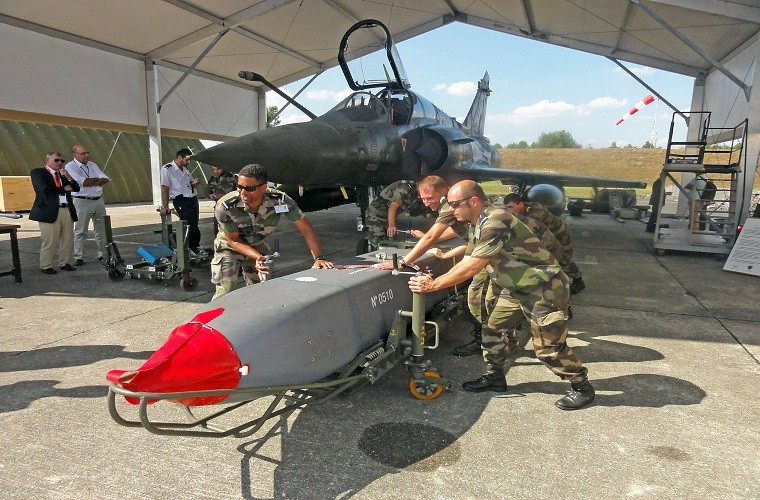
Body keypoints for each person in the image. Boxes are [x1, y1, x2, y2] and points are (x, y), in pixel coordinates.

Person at [408, 181, 594, 410]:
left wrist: (433, 285)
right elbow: (468, 259)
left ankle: (581, 386)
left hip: (543, 288)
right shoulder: (478, 222)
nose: (451, 209)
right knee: (493, 329)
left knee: (548, 349)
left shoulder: (495, 221)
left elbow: (473, 267)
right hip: (516, 287)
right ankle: (495, 377)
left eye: (455, 204)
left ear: (473, 201)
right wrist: (436, 280)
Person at [211, 164, 334, 299]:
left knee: (261, 291)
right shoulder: (226, 206)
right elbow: (233, 240)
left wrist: (319, 258)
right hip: (229, 247)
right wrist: (258, 257)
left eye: (250, 188)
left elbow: (306, 228)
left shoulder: (280, 200)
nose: (243, 192)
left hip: (257, 245)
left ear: (263, 187)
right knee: (225, 292)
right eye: (239, 186)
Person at [503, 193, 585, 295]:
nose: (508, 210)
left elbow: (529, 229)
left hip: (559, 234)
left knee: (564, 259)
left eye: (511, 207)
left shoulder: (536, 212)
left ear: (521, 204)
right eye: (506, 207)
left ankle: (578, 280)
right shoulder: (522, 211)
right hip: (546, 235)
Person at [29, 151, 80, 274]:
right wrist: (63, 188)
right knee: (50, 240)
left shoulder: (62, 174)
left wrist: (68, 176)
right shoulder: (39, 172)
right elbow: (43, 189)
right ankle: (46, 265)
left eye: (62, 161)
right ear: (47, 160)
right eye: (56, 160)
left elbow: (76, 188)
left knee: (67, 239)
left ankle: (65, 262)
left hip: (66, 209)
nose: (60, 163)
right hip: (49, 210)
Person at [65, 144, 110, 265]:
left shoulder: (92, 164)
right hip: (82, 201)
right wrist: (96, 180)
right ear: (74, 154)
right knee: (81, 230)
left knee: (101, 229)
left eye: (87, 153)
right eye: (83, 153)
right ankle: (79, 256)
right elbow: (83, 182)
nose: (86, 155)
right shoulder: (70, 166)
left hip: (98, 200)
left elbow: (105, 179)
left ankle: (103, 253)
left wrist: (92, 181)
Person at [365, 179, 437, 248]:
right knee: (381, 244)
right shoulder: (404, 188)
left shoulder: (415, 192)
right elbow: (393, 207)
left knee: (392, 242)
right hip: (375, 217)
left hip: (388, 217)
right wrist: (391, 225)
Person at [159, 148, 201, 253]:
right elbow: (165, 188)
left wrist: (193, 183)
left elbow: (187, 184)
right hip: (181, 200)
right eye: (187, 159)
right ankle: (187, 249)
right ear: (179, 157)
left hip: (191, 199)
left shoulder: (185, 169)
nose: (189, 162)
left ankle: (195, 247)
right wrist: (165, 206)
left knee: (194, 224)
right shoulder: (167, 169)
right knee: (188, 225)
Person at [207, 166, 237, 236]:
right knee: (218, 230)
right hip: (218, 208)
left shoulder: (234, 178)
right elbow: (208, 189)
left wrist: (223, 197)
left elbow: (239, 193)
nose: (216, 171)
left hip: (231, 209)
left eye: (218, 169)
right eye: (214, 169)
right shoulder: (213, 177)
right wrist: (210, 195)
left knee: (230, 231)